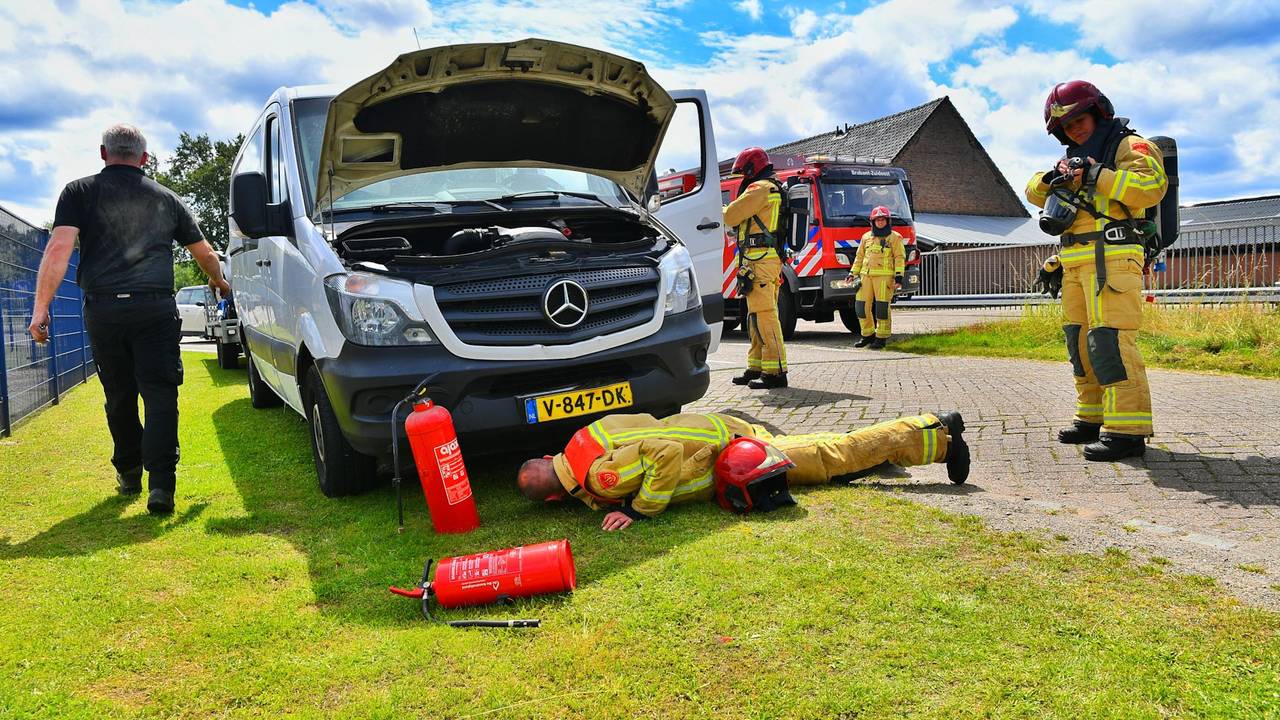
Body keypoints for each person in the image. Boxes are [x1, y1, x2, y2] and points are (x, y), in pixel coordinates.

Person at [28, 123, 231, 514]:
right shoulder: (167, 198)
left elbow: (58, 249)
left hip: (104, 309)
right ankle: (161, 487)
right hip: (154, 309)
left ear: (104, 153)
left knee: (119, 395)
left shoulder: (78, 193)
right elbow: (204, 252)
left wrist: (41, 309)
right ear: (145, 158)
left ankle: (129, 472)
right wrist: (219, 281)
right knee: (160, 394)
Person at [516, 410, 970, 530]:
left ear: (556, 496)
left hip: (732, 452)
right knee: (822, 457)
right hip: (720, 427)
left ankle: (934, 433)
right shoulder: (582, 440)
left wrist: (638, 511)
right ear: (546, 459)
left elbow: (662, 455)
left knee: (829, 458)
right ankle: (918, 441)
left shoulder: (597, 476)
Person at [1025, 81, 1168, 461]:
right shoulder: (1073, 158)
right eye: (1066, 128)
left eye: (1079, 120)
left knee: (1111, 343)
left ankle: (1128, 430)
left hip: (1115, 260)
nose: (1074, 130)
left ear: (1098, 112)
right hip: (1075, 264)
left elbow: (1151, 186)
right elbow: (1033, 193)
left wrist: (1095, 174)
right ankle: (1092, 416)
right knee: (1081, 344)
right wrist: (1052, 177)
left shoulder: (1128, 145)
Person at [723, 147, 788, 389]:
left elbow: (731, 216)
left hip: (760, 259)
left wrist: (713, 211)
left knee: (765, 315)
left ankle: (776, 372)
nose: (743, 177)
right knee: (754, 316)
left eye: (744, 172)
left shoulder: (760, 188)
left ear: (752, 168)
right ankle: (757, 366)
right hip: (761, 259)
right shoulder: (772, 186)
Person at [849, 205, 904, 348]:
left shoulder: (895, 238)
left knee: (882, 308)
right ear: (872, 222)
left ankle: (881, 338)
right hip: (865, 277)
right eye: (877, 220)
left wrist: (899, 277)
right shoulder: (866, 237)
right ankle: (867, 335)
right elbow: (859, 257)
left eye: (882, 219)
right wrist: (852, 273)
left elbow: (899, 258)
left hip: (884, 278)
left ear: (887, 221)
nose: (880, 222)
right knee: (860, 307)